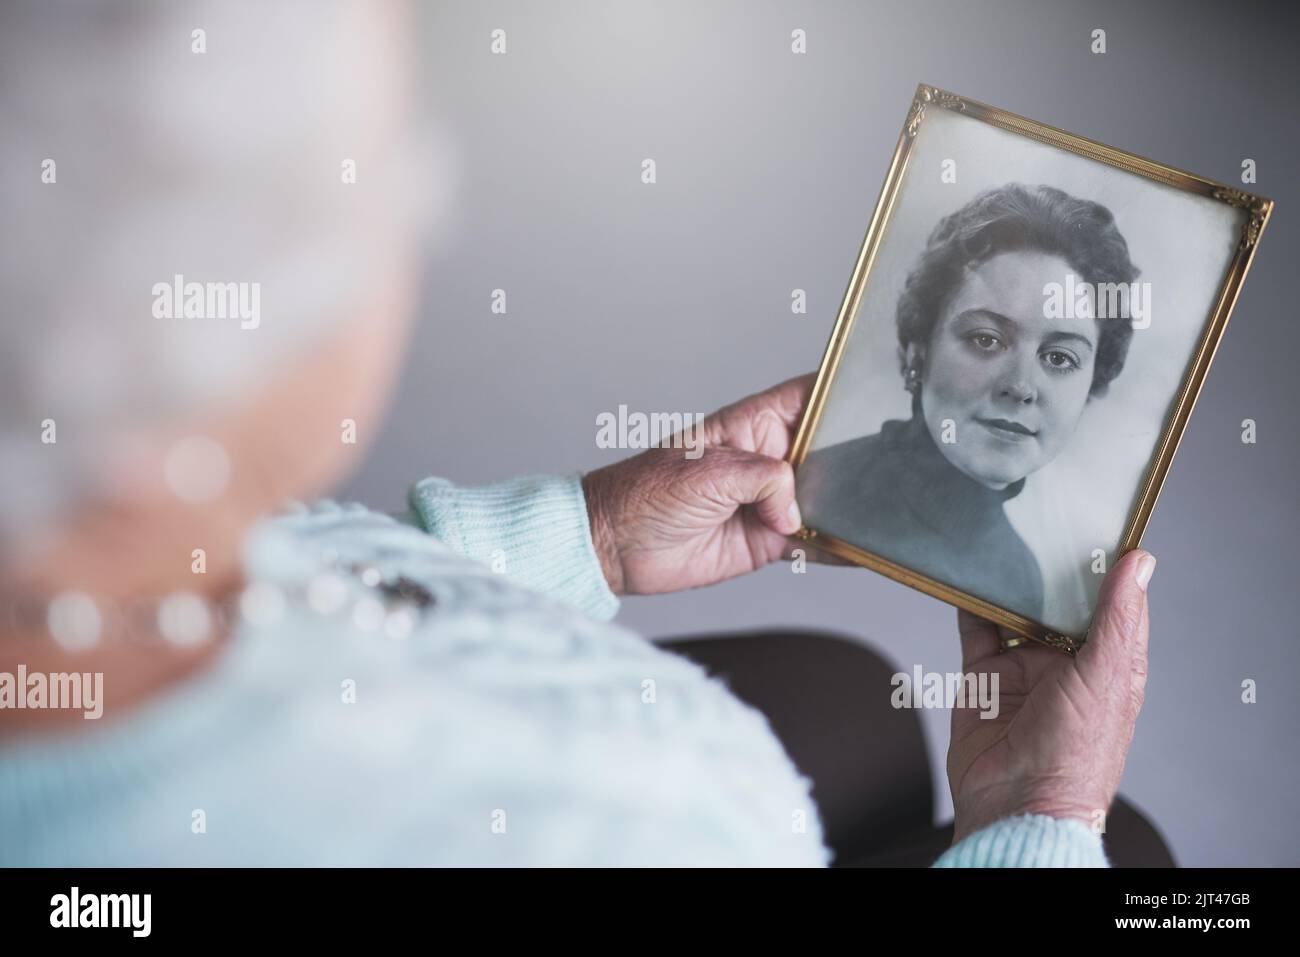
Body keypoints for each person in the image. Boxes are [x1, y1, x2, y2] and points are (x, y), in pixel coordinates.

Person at [0, 1, 1163, 866]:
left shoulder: (90, 521)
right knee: (1135, 856)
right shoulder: (652, 830)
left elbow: (287, 568)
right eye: (378, 183)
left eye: (1062, 355)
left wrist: (586, 541)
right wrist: (1037, 821)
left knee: (843, 686)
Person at [798, 184, 1141, 622]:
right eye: (986, 339)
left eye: (1059, 358)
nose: (1021, 387)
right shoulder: (817, 493)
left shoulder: (1018, 578)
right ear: (917, 352)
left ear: (1092, 386)